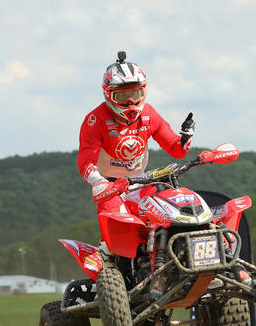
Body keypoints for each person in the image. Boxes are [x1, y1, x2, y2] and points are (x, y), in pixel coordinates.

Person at [78, 51, 195, 214]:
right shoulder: (95, 119)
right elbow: (86, 162)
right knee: (120, 227)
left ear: (144, 91)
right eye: (123, 96)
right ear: (108, 94)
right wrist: (99, 182)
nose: (131, 102)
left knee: (167, 217)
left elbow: (176, 150)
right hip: (110, 188)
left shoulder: (149, 113)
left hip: (142, 183)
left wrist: (186, 137)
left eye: (135, 93)